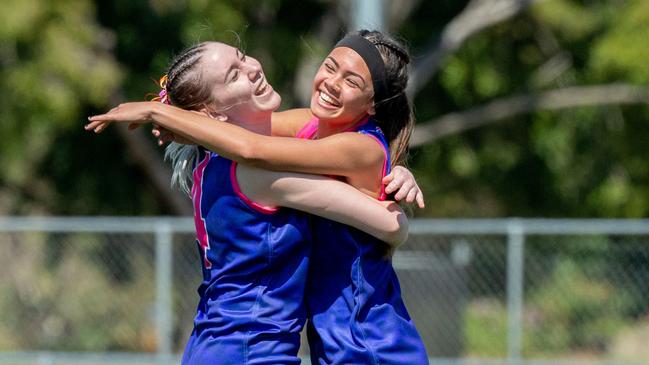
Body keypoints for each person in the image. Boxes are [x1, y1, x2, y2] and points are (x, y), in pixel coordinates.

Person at [87, 29, 429, 364]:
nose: (331, 83)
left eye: (352, 81)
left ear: (373, 104)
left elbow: (252, 144)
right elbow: (391, 225)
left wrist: (161, 112)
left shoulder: (341, 144)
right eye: (329, 66)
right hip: (266, 349)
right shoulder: (293, 143)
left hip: (367, 345)